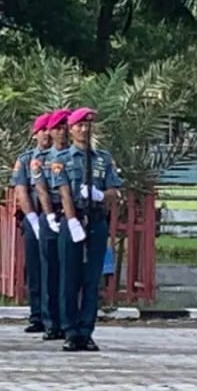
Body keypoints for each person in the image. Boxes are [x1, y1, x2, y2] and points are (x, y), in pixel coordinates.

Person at [48, 107, 122, 352]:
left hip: (97, 220)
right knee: (69, 278)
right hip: (74, 219)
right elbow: (64, 192)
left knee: (92, 279)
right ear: (71, 129)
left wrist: (100, 194)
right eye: (80, 125)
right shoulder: (62, 159)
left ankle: (86, 331)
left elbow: (114, 191)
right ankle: (70, 331)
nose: (84, 129)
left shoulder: (104, 158)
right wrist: (72, 221)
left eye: (88, 125)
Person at [31, 109, 71, 341]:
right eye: (58, 128)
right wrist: (48, 216)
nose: (62, 132)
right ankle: (51, 321)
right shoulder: (41, 160)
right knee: (49, 271)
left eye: (66, 127)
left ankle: (68, 320)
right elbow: (41, 190)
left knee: (70, 271)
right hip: (52, 214)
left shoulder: (78, 156)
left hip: (72, 216)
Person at [12, 113, 52, 335]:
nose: (47, 134)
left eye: (49, 129)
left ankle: (53, 315)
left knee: (54, 268)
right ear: (34, 133)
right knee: (35, 268)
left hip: (56, 217)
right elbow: (21, 190)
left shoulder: (61, 157)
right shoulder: (26, 159)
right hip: (34, 217)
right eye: (42, 130)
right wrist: (33, 219)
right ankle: (37, 315)